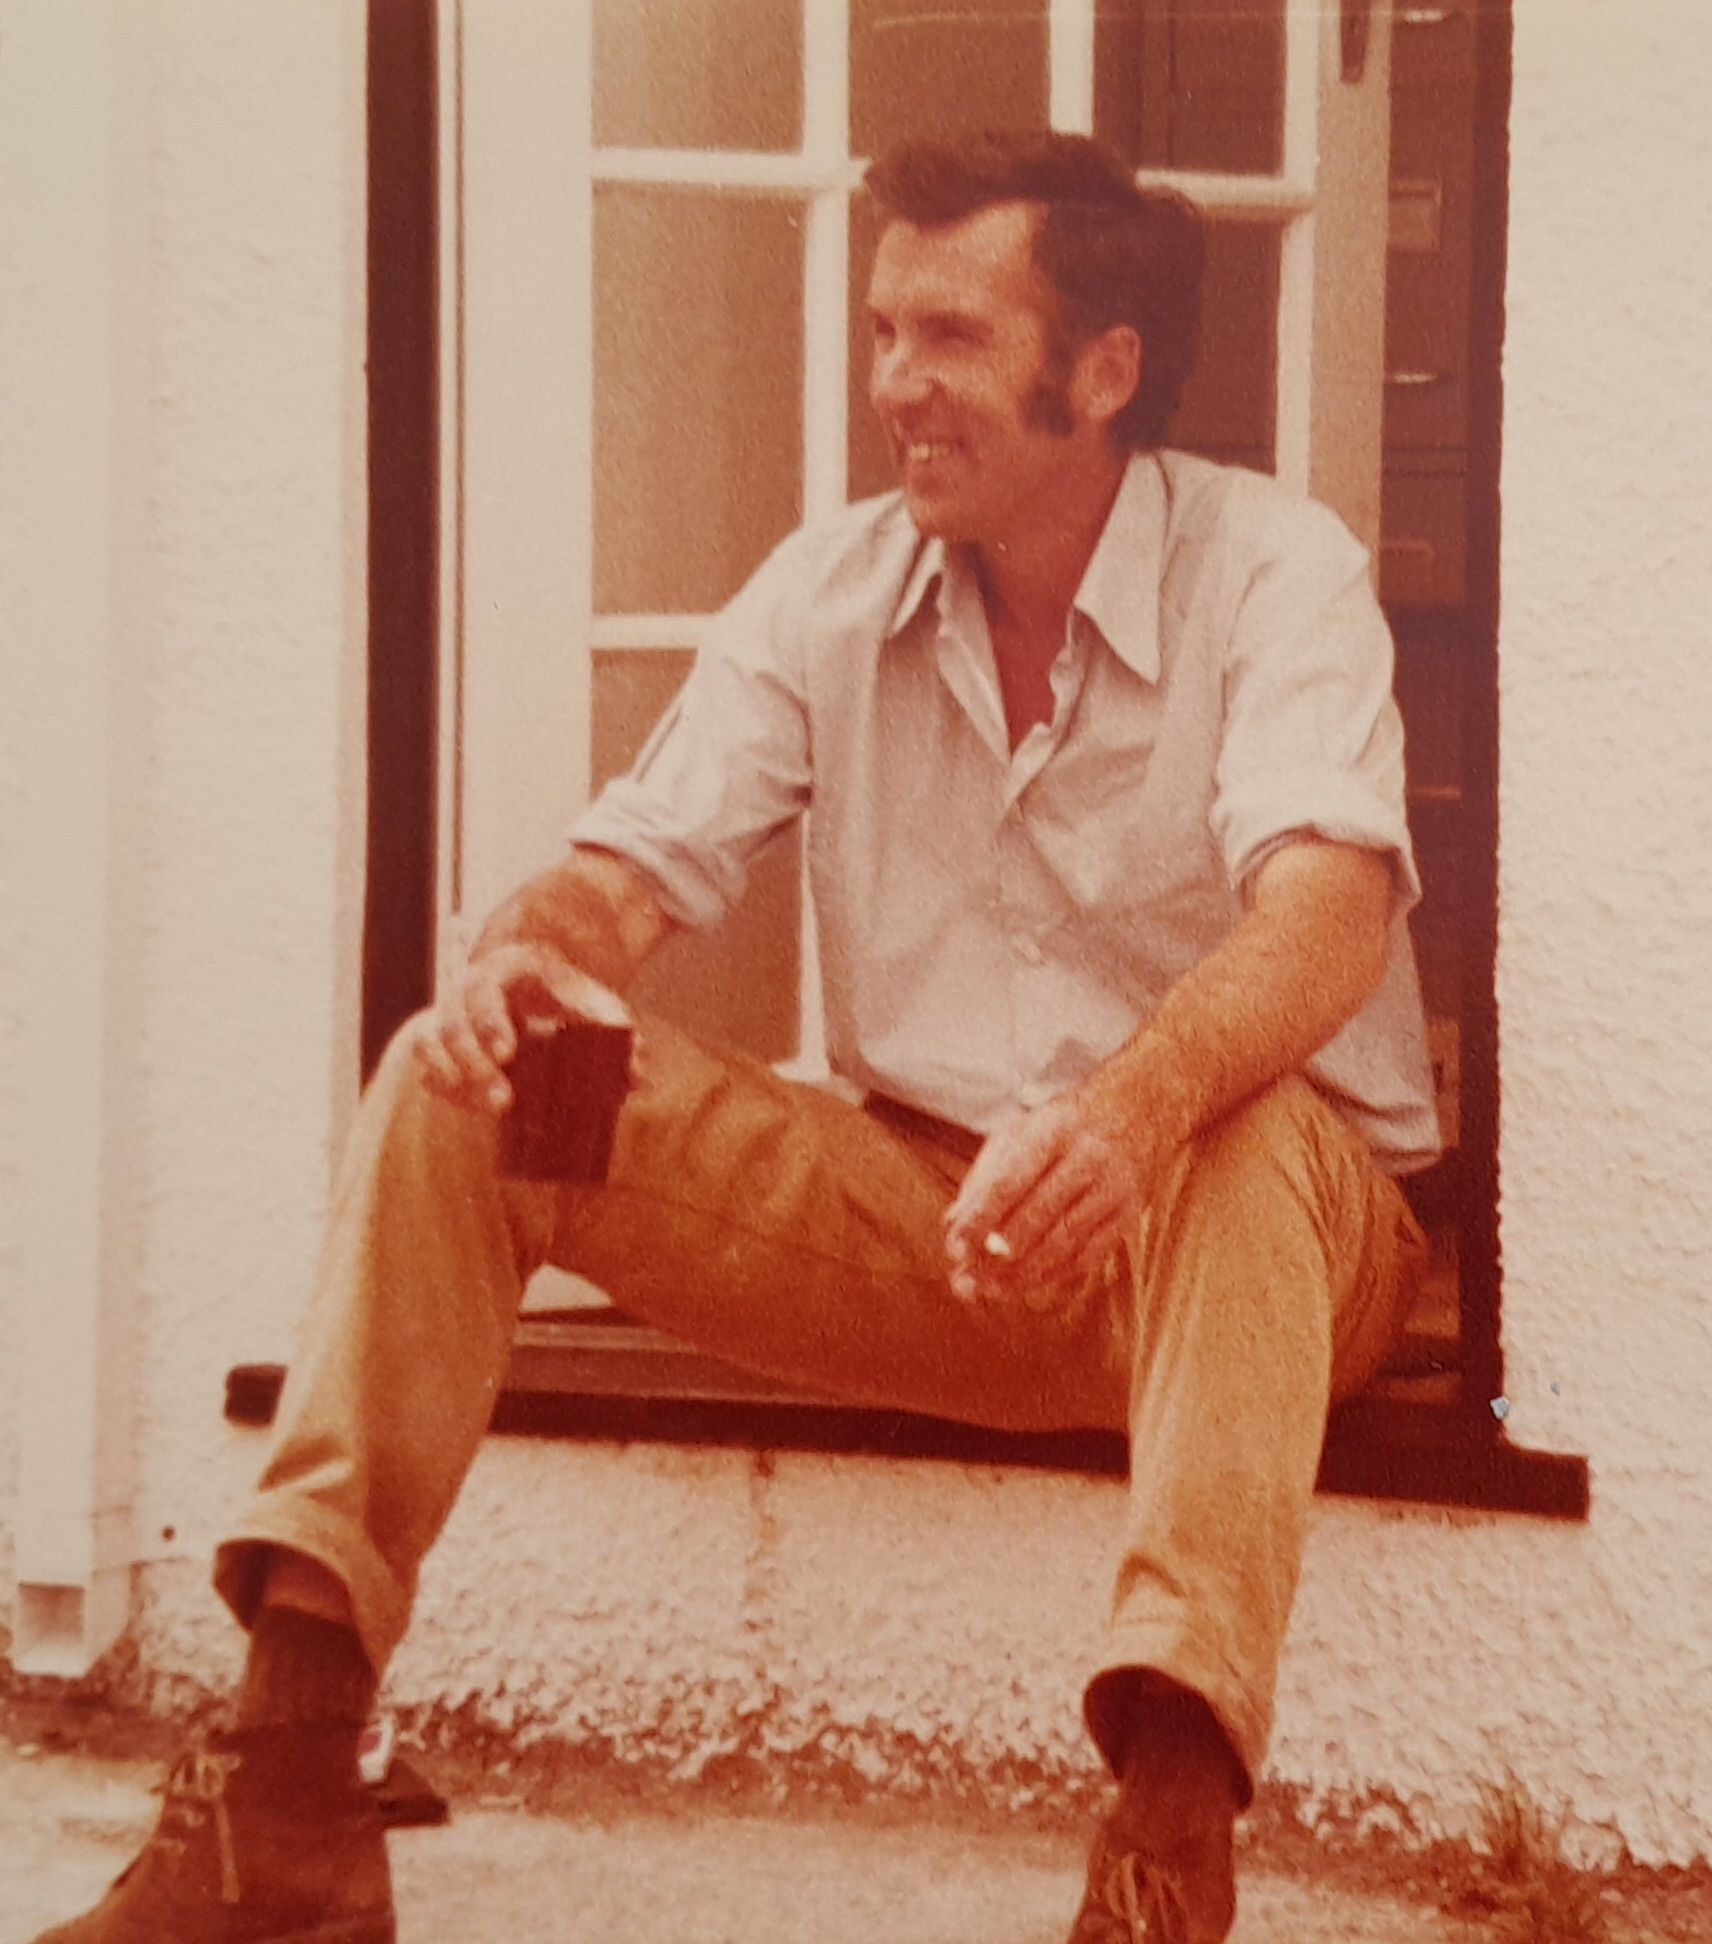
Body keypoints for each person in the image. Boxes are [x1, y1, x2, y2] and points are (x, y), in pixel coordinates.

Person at [34, 131, 1438, 1944]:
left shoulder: (1274, 572)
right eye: (884, 332)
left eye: (948, 335)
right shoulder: (831, 586)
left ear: (1105, 371)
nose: (894, 384)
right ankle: (289, 1787)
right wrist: (526, 961)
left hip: (1256, 1245)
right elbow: (621, 880)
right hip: (937, 1225)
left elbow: (1326, 910)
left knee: (1238, 1128)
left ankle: (1164, 1856)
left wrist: (1129, 1111)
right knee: (468, 1084)